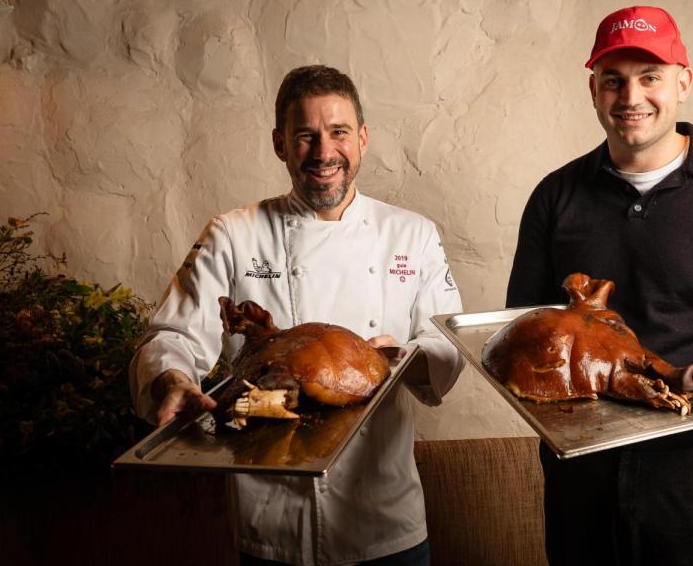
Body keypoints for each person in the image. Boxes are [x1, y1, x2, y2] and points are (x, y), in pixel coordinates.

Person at [505, 6, 693, 566]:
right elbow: (523, 319)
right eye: (613, 79)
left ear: (683, 83)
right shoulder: (555, 196)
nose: (631, 96)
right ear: (593, 90)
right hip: (582, 466)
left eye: (650, 77)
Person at [130, 65, 464, 566]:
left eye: (339, 133)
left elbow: (447, 346)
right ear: (279, 144)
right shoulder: (232, 234)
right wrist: (170, 379)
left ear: (364, 139)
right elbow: (173, 333)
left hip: (385, 518)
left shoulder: (412, 235)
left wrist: (393, 358)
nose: (324, 153)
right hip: (274, 519)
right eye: (305, 135)